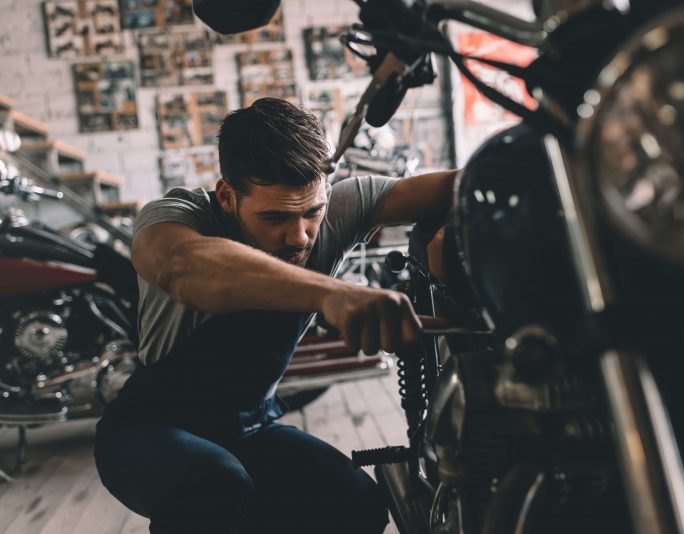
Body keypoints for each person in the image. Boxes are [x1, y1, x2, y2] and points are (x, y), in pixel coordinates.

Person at [94, 97, 457, 534]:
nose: (300, 235)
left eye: (312, 211)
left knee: (354, 503)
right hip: (147, 430)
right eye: (274, 217)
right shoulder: (179, 216)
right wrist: (332, 294)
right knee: (212, 484)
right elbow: (180, 266)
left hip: (247, 427)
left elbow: (472, 183)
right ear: (227, 195)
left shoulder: (340, 210)